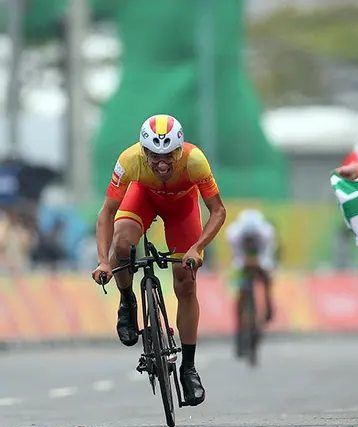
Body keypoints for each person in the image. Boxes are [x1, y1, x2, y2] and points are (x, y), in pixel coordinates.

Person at [91, 114, 227, 407]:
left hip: (182, 208)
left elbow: (217, 211)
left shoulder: (195, 161)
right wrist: (104, 261)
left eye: (168, 156)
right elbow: (106, 213)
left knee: (186, 282)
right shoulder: (128, 161)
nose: (162, 163)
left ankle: (188, 369)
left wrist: (196, 248)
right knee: (123, 243)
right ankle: (127, 302)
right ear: (143, 151)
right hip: (143, 197)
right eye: (154, 156)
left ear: (179, 151)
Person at [226, 209, 277, 358]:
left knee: (267, 277)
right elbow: (237, 258)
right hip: (242, 260)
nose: (250, 240)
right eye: (247, 238)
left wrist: (261, 267)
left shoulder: (267, 233)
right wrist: (246, 264)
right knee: (240, 292)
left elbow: (266, 257)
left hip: (260, 257)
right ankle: (239, 327)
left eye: (252, 237)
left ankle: (268, 305)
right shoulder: (233, 234)